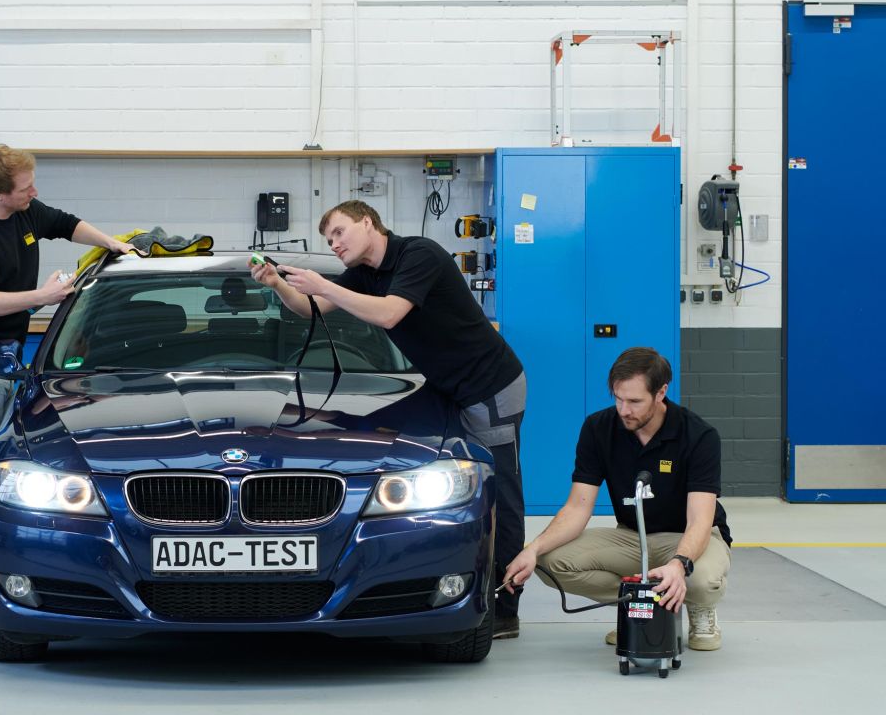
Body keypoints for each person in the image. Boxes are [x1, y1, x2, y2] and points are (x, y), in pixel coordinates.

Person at [249, 200, 527, 638]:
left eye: (339, 233)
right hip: (443, 384)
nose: (335, 244)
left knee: (500, 488)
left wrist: (325, 283)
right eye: (328, 240)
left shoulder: (420, 254)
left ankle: (506, 607)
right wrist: (279, 286)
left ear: (367, 222)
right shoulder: (366, 273)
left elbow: (389, 313)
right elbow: (313, 308)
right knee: (365, 433)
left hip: (488, 386)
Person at [0, 144, 138, 607]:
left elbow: (64, 224)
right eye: (26, 188)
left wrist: (110, 243)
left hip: (6, 358)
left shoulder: (26, 213)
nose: (35, 192)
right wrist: (40, 297)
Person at [502, 346, 731, 651]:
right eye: (618, 398)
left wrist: (679, 564)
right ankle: (637, 607)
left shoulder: (699, 436)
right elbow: (577, 508)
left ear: (661, 392)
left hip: (689, 537)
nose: (624, 410)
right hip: (632, 536)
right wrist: (532, 549)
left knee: (700, 581)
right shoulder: (599, 428)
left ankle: (698, 606)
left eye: (635, 401)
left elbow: (700, 520)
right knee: (548, 562)